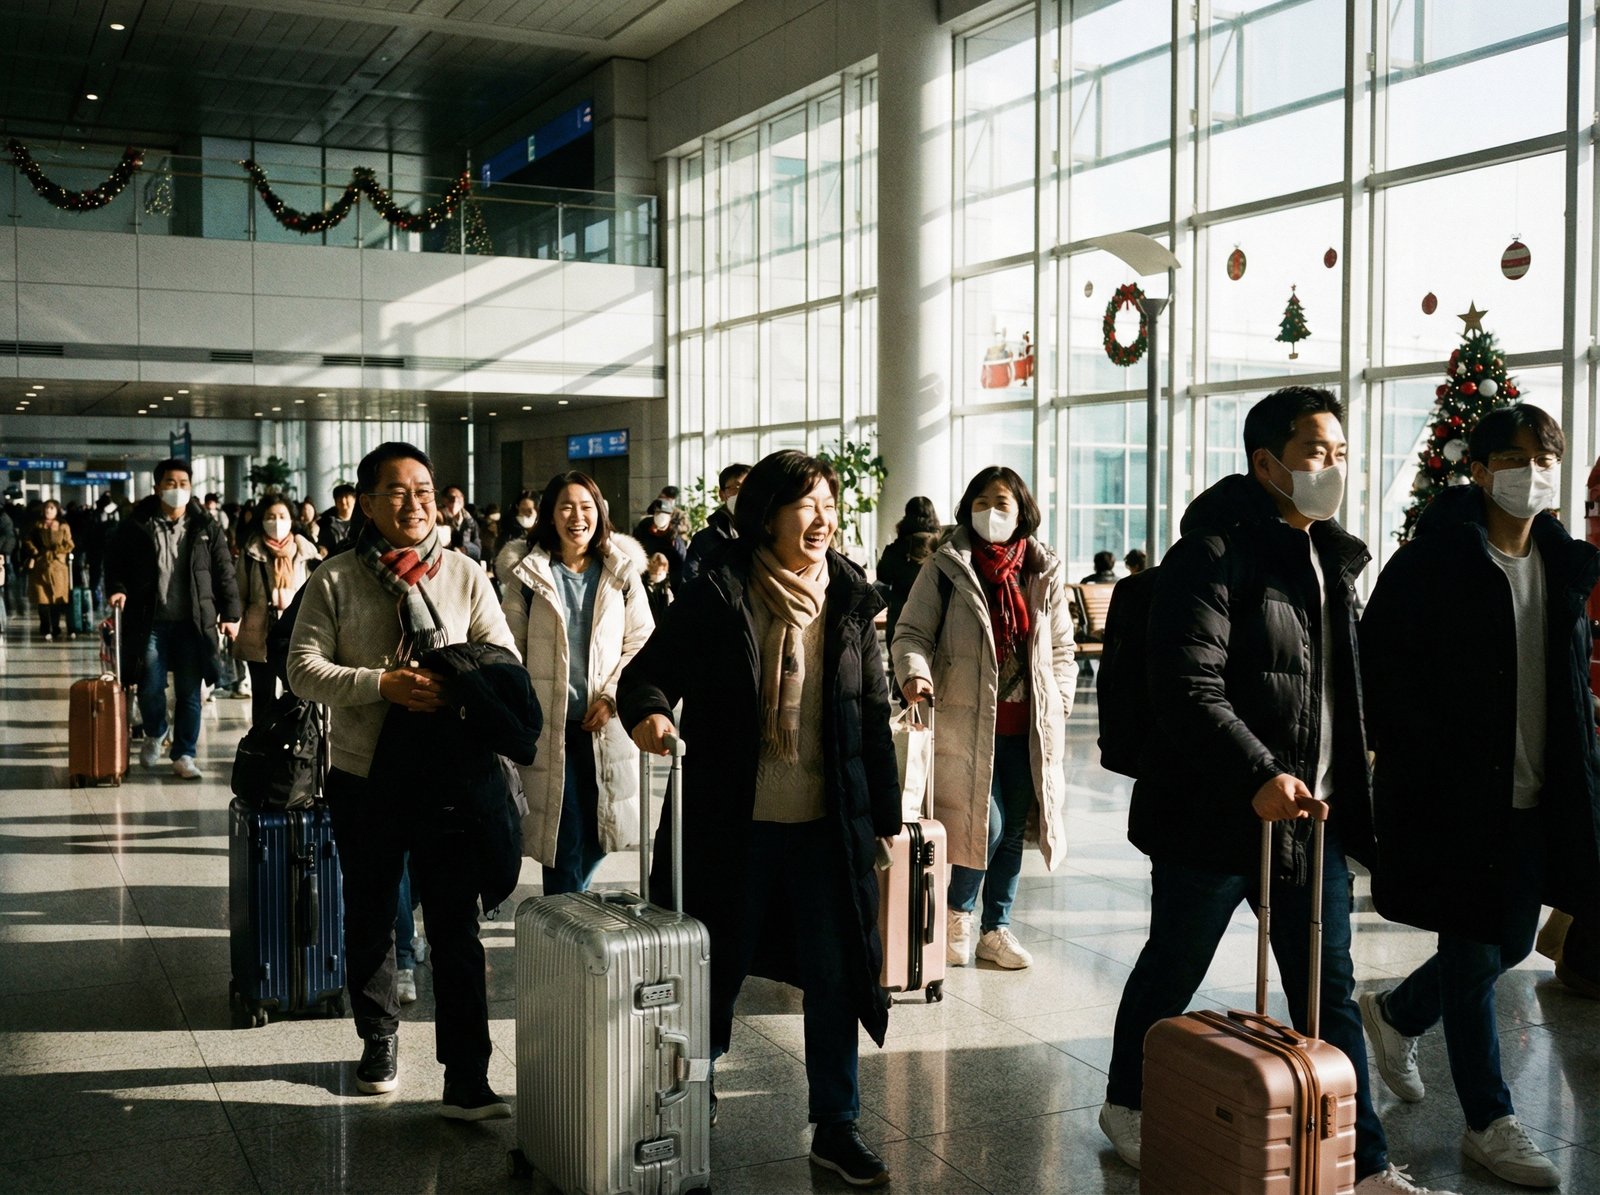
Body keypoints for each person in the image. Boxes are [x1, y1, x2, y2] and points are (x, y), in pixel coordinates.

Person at [1095, 387, 1442, 1195]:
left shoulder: (1334, 558)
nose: (1335, 469)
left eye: (1343, 453)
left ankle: (1365, 1162)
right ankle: (1125, 1100)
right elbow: (1187, 682)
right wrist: (1257, 772)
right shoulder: (1211, 554)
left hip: (1307, 820)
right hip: (1213, 813)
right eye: (1318, 453)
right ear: (1266, 462)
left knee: (1329, 996)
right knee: (1172, 966)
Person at [619, 450, 902, 1188]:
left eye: (830, 501)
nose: (823, 516)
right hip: (730, 826)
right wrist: (649, 715)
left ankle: (836, 1123)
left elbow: (870, 712)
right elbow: (647, 674)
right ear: (768, 514)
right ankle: (691, 1100)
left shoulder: (849, 597)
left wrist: (888, 815)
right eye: (806, 503)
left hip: (824, 826)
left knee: (837, 975)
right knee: (714, 972)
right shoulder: (719, 593)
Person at [1357, 404, 1600, 1190]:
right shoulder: (1433, 563)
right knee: (1472, 948)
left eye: (1545, 456)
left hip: (1538, 791)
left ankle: (1396, 1015)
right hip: (1457, 796)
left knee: (1508, 941)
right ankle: (1488, 1120)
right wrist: (1426, 752)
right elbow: (1380, 670)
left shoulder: (1563, 567)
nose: (1531, 470)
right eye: (1515, 456)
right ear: (1480, 467)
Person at [286, 441, 519, 1119]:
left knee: (456, 924)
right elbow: (302, 668)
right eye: (397, 490)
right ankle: (380, 1035)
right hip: (365, 776)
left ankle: (468, 1074)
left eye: (424, 488)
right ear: (364, 500)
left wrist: (458, 681)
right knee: (373, 913)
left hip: (451, 778)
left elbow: (501, 657)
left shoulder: (466, 573)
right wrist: (379, 682)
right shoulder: (334, 579)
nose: (415, 502)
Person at [892, 469, 1077, 972]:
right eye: (981, 500)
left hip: (1030, 725)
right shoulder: (947, 565)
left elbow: (1062, 647)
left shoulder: (1042, 569)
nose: (991, 512)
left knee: (1013, 827)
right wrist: (916, 676)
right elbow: (910, 632)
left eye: (1002, 502)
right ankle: (957, 913)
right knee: (984, 823)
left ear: (1023, 512)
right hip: (965, 721)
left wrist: (1060, 698)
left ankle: (996, 929)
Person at [503, 471, 653, 894]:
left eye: (587, 506)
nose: (577, 516)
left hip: (604, 726)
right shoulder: (527, 576)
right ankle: (563, 934)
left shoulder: (621, 573)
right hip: (551, 730)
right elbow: (507, 646)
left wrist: (612, 698)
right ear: (549, 514)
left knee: (599, 834)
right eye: (566, 506)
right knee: (561, 840)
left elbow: (641, 643)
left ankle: (569, 910)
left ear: (600, 513)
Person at [106, 459, 241, 780]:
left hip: (192, 623)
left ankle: (184, 753)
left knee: (189, 692)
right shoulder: (136, 524)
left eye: (183, 483)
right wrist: (117, 589)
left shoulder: (205, 526)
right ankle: (155, 731)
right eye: (170, 482)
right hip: (150, 620)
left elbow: (224, 572)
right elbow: (115, 564)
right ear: (156, 487)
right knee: (150, 687)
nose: (176, 489)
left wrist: (231, 613)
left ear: (191, 487)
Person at [232, 496, 320, 726]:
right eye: (270, 517)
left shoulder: (307, 553)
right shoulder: (251, 552)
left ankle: (296, 749)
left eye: (282, 517)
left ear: (292, 520)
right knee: (263, 695)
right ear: (261, 520)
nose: (277, 522)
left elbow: (318, 595)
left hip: (297, 630)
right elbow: (239, 592)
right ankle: (262, 747)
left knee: (299, 693)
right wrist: (233, 622)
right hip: (259, 631)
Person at [875, 496, 940, 652]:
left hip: (899, 614)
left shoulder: (896, 548)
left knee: (899, 663)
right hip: (932, 614)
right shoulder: (940, 546)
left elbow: (882, 575)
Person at [684, 465, 750, 583]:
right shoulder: (704, 540)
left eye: (748, 487)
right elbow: (690, 581)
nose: (742, 493)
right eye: (736, 487)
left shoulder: (768, 533)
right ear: (722, 494)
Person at [24, 499, 74, 641]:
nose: (48, 511)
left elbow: (70, 543)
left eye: (51, 508)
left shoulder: (63, 526)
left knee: (56, 600)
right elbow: (28, 540)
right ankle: (45, 628)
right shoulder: (37, 526)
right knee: (43, 599)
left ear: (57, 510)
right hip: (41, 565)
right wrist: (35, 552)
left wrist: (59, 552)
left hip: (58, 567)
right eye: (46, 508)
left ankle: (56, 627)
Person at [634, 499, 687, 590]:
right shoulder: (644, 527)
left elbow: (681, 570)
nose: (656, 530)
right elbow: (634, 549)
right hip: (644, 573)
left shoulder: (676, 542)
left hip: (670, 578)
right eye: (657, 513)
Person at [493, 491, 538, 591]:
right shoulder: (507, 529)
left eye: (530, 510)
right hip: (510, 581)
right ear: (517, 507)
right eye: (523, 510)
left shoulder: (541, 532)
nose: (527, 514)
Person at [438, 485, 482, 562]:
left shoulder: (470, 521)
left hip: (464, 563)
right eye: (451, 497)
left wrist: (465, 550)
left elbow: (477, 548)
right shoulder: (436, 518)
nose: (455, 500)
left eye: (459, 497)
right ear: (444, 500)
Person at [318, 484, 358, 553]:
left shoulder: (361, 522)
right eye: (339, 497)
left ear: (354, 499)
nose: (343, 500)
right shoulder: (325, 523)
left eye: (346, 496)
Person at [642, 552, 674, 626]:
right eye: (654, 573)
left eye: (660, 574)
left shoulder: (666, 589)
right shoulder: (644, 585)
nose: (657, 576)